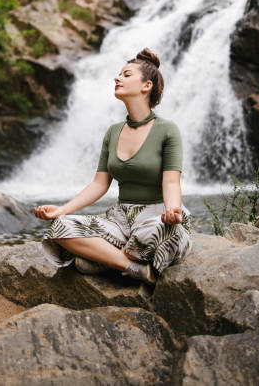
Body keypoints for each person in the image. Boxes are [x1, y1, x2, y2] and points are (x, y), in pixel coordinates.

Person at [33, 47, 192, 285]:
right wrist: (61, 210)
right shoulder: (113, 131)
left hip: (156, 216)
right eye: (119, 74)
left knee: (159, 232)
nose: (117, 78)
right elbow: (99, 184)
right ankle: (132, 267)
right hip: (119, 219)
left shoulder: (167, 130)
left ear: (146, 86)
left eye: (126, 75)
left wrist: (173, 211)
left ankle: (100, 258)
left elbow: (171, 181)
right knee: (60, 227)